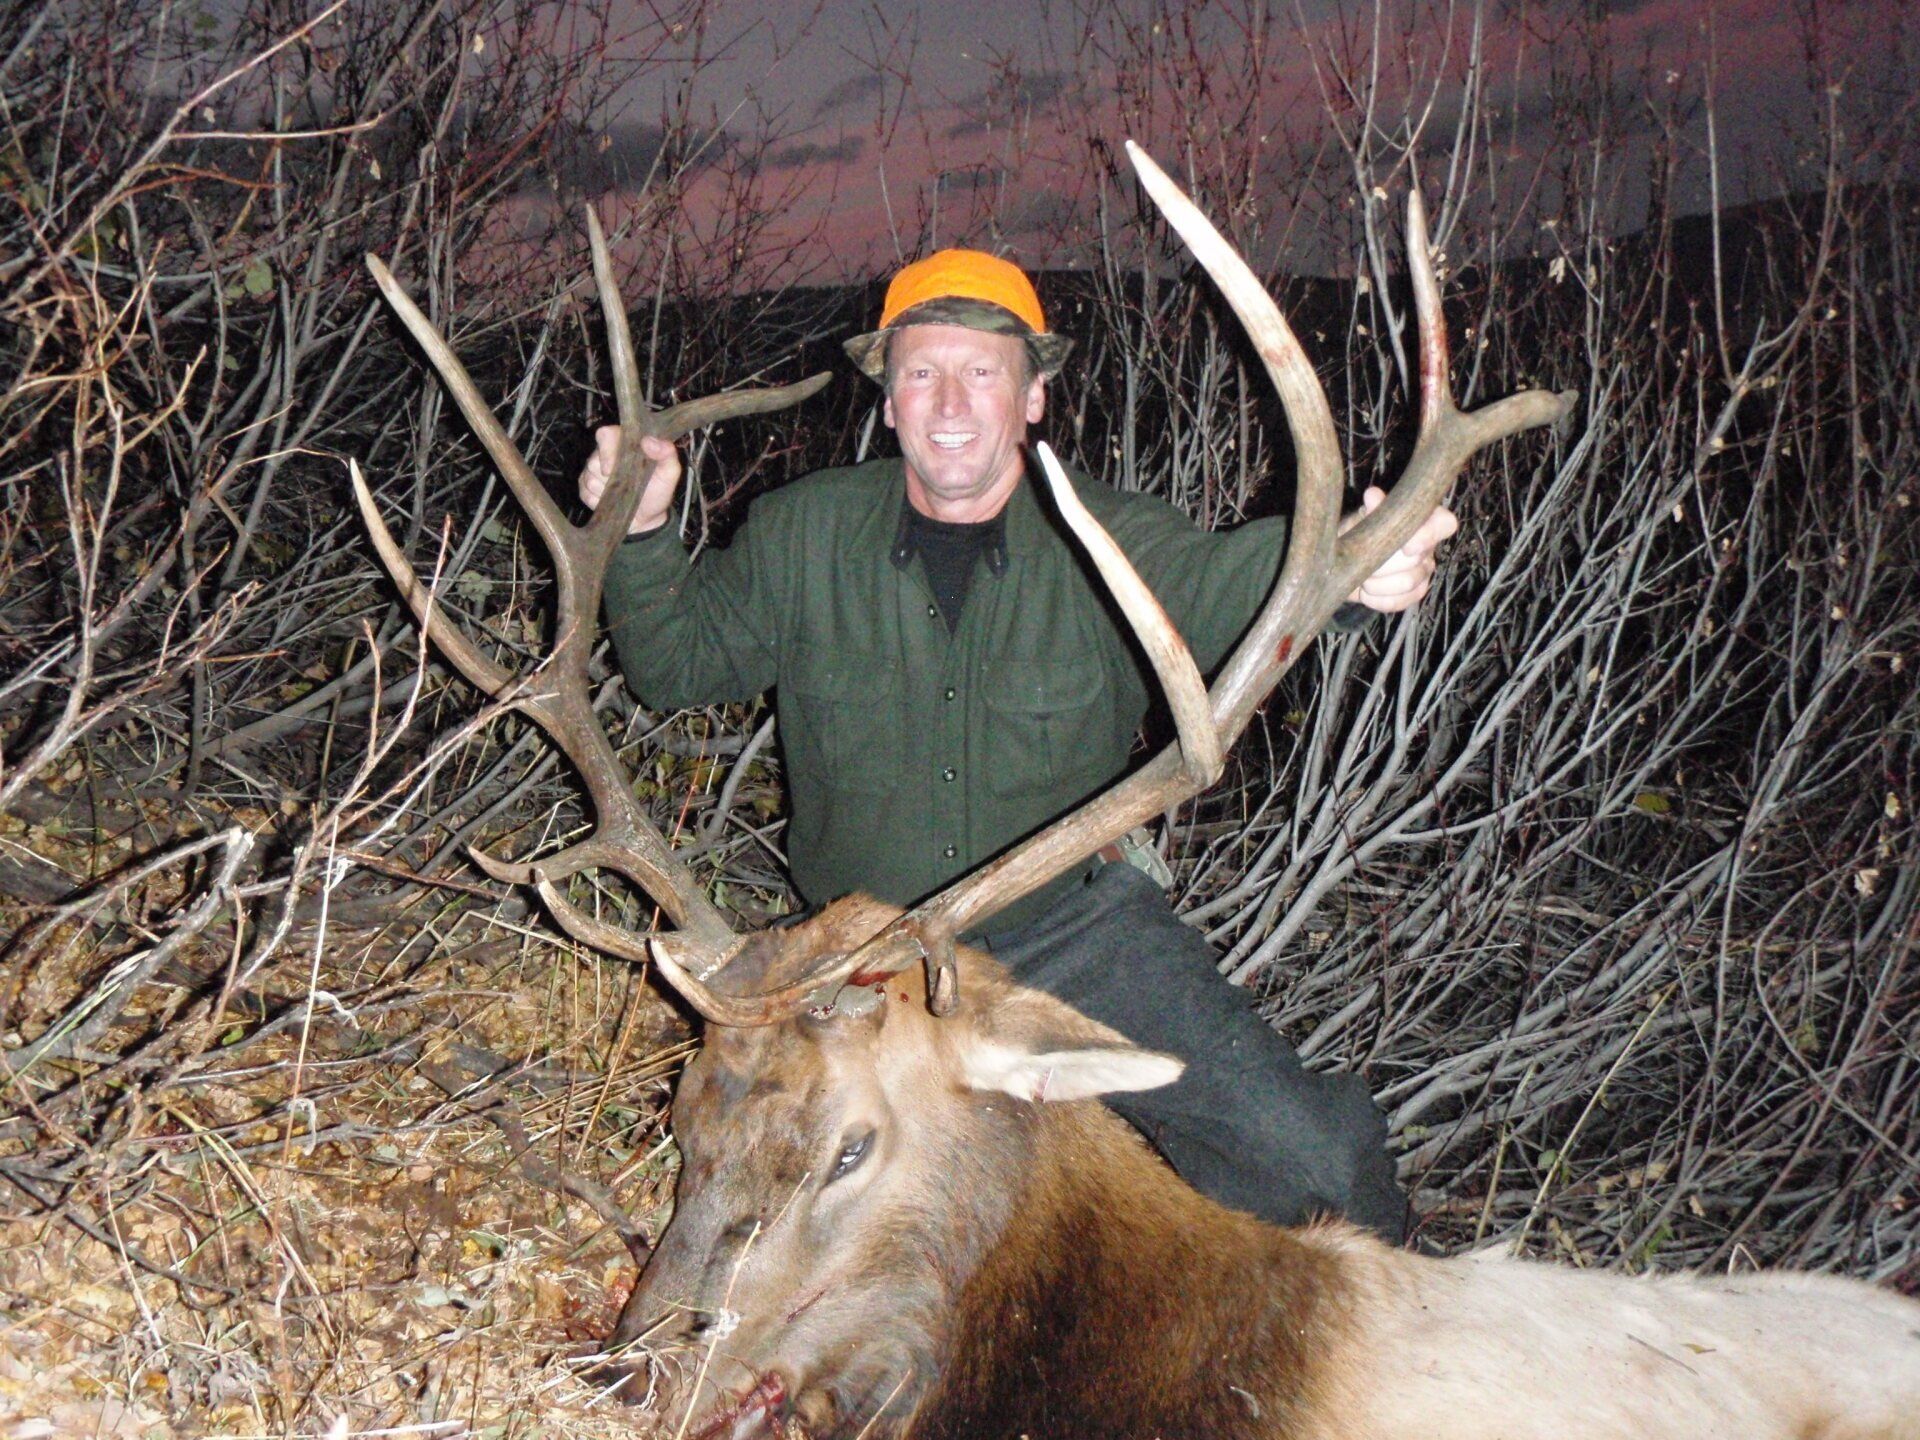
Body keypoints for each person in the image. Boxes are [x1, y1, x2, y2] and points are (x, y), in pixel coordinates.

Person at [581, 249, 1456, 1243]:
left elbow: (1235, 586)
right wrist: (641, 532)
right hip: (868, 961)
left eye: (983, 371)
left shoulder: (1114, 538)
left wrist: (1352, 571)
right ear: (889, 400)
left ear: (1033, 397)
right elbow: (675, 665)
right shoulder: (803, 534)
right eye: (921, 371)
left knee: (1316, 1162)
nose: (950, 399)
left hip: (1076, 935)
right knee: (776, 1190)